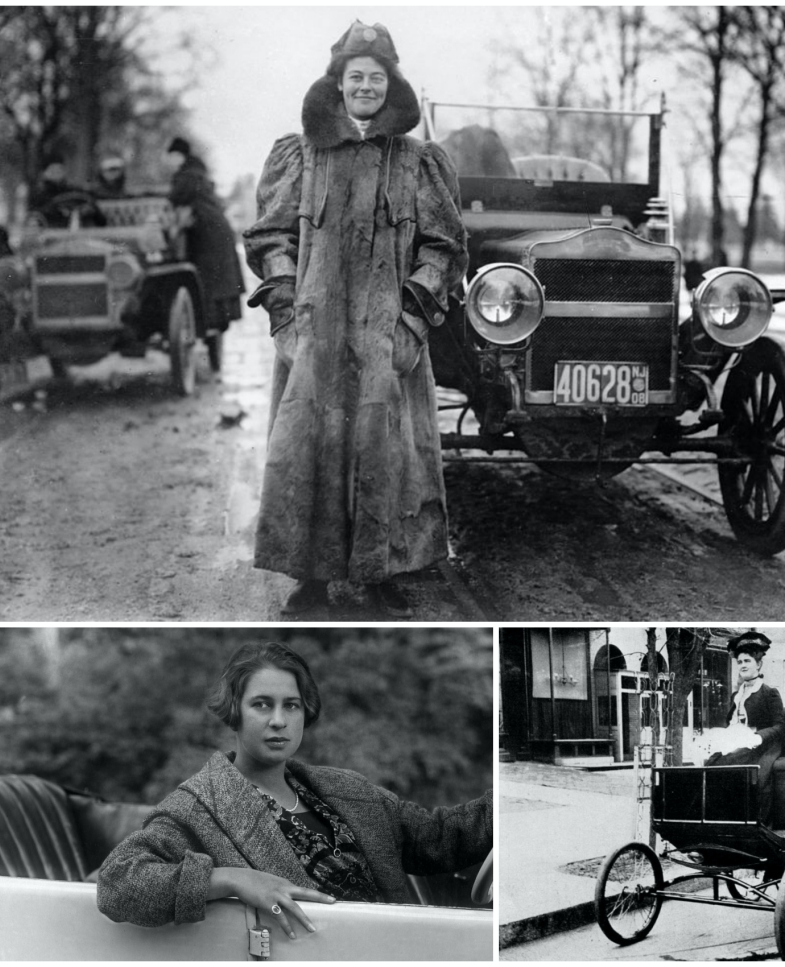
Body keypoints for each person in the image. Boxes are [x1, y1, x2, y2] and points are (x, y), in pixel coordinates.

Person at [243, 21, 468, 619]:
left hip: (386, 338)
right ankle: (309, 582)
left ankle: (381, 575)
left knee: (389, 454)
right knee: (307, 452)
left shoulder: (418, 162)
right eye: (355, 77)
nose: (365, 87)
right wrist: (288, 316)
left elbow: (444, 247)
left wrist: (410, 324)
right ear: (337, 86)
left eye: (376, 77)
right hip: (315, 337)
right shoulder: (302, 155)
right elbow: (270, 238)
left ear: (390, 86)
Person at [96, 642, 492, 935]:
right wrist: (230, 878)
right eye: (262, 705)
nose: (279, 721)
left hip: (394, 951)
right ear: (234, 712)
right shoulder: (198, 806)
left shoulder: (347, 790)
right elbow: (117, 882)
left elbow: (440, 838)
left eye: (292, 705)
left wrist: (505, 807)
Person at [166, 136, 245, 335]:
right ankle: (214, 322)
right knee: (214, 276)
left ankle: (208, 323)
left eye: (172, 156)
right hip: (215, 228)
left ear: (179, 155)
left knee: (207, 275)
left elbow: (174, 198)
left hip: (208, 231)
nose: (169, 161)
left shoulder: (187, 176)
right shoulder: (197, 172)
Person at [706, 632, 785, 824]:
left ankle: (743, 823)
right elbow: (731, 724)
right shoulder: (737, 695)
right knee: (709, 765)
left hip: (762, 747)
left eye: (747, 661)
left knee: (726, 768)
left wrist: (759, 737)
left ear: (758, 664)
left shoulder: (769, 693)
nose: (742, 665)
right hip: (738, 744)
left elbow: (779, 726)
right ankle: (719, 824)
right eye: (739, 661)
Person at [29, 152, 106, 228]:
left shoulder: (77, 192)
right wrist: (57, 211)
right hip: (51, 234)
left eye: (59, 170)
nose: (57, 174)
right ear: (44, 173)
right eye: (53, 171)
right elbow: (36, 219)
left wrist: (88, 209)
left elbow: (101, 221)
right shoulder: (38, 197)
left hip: (81, 234)